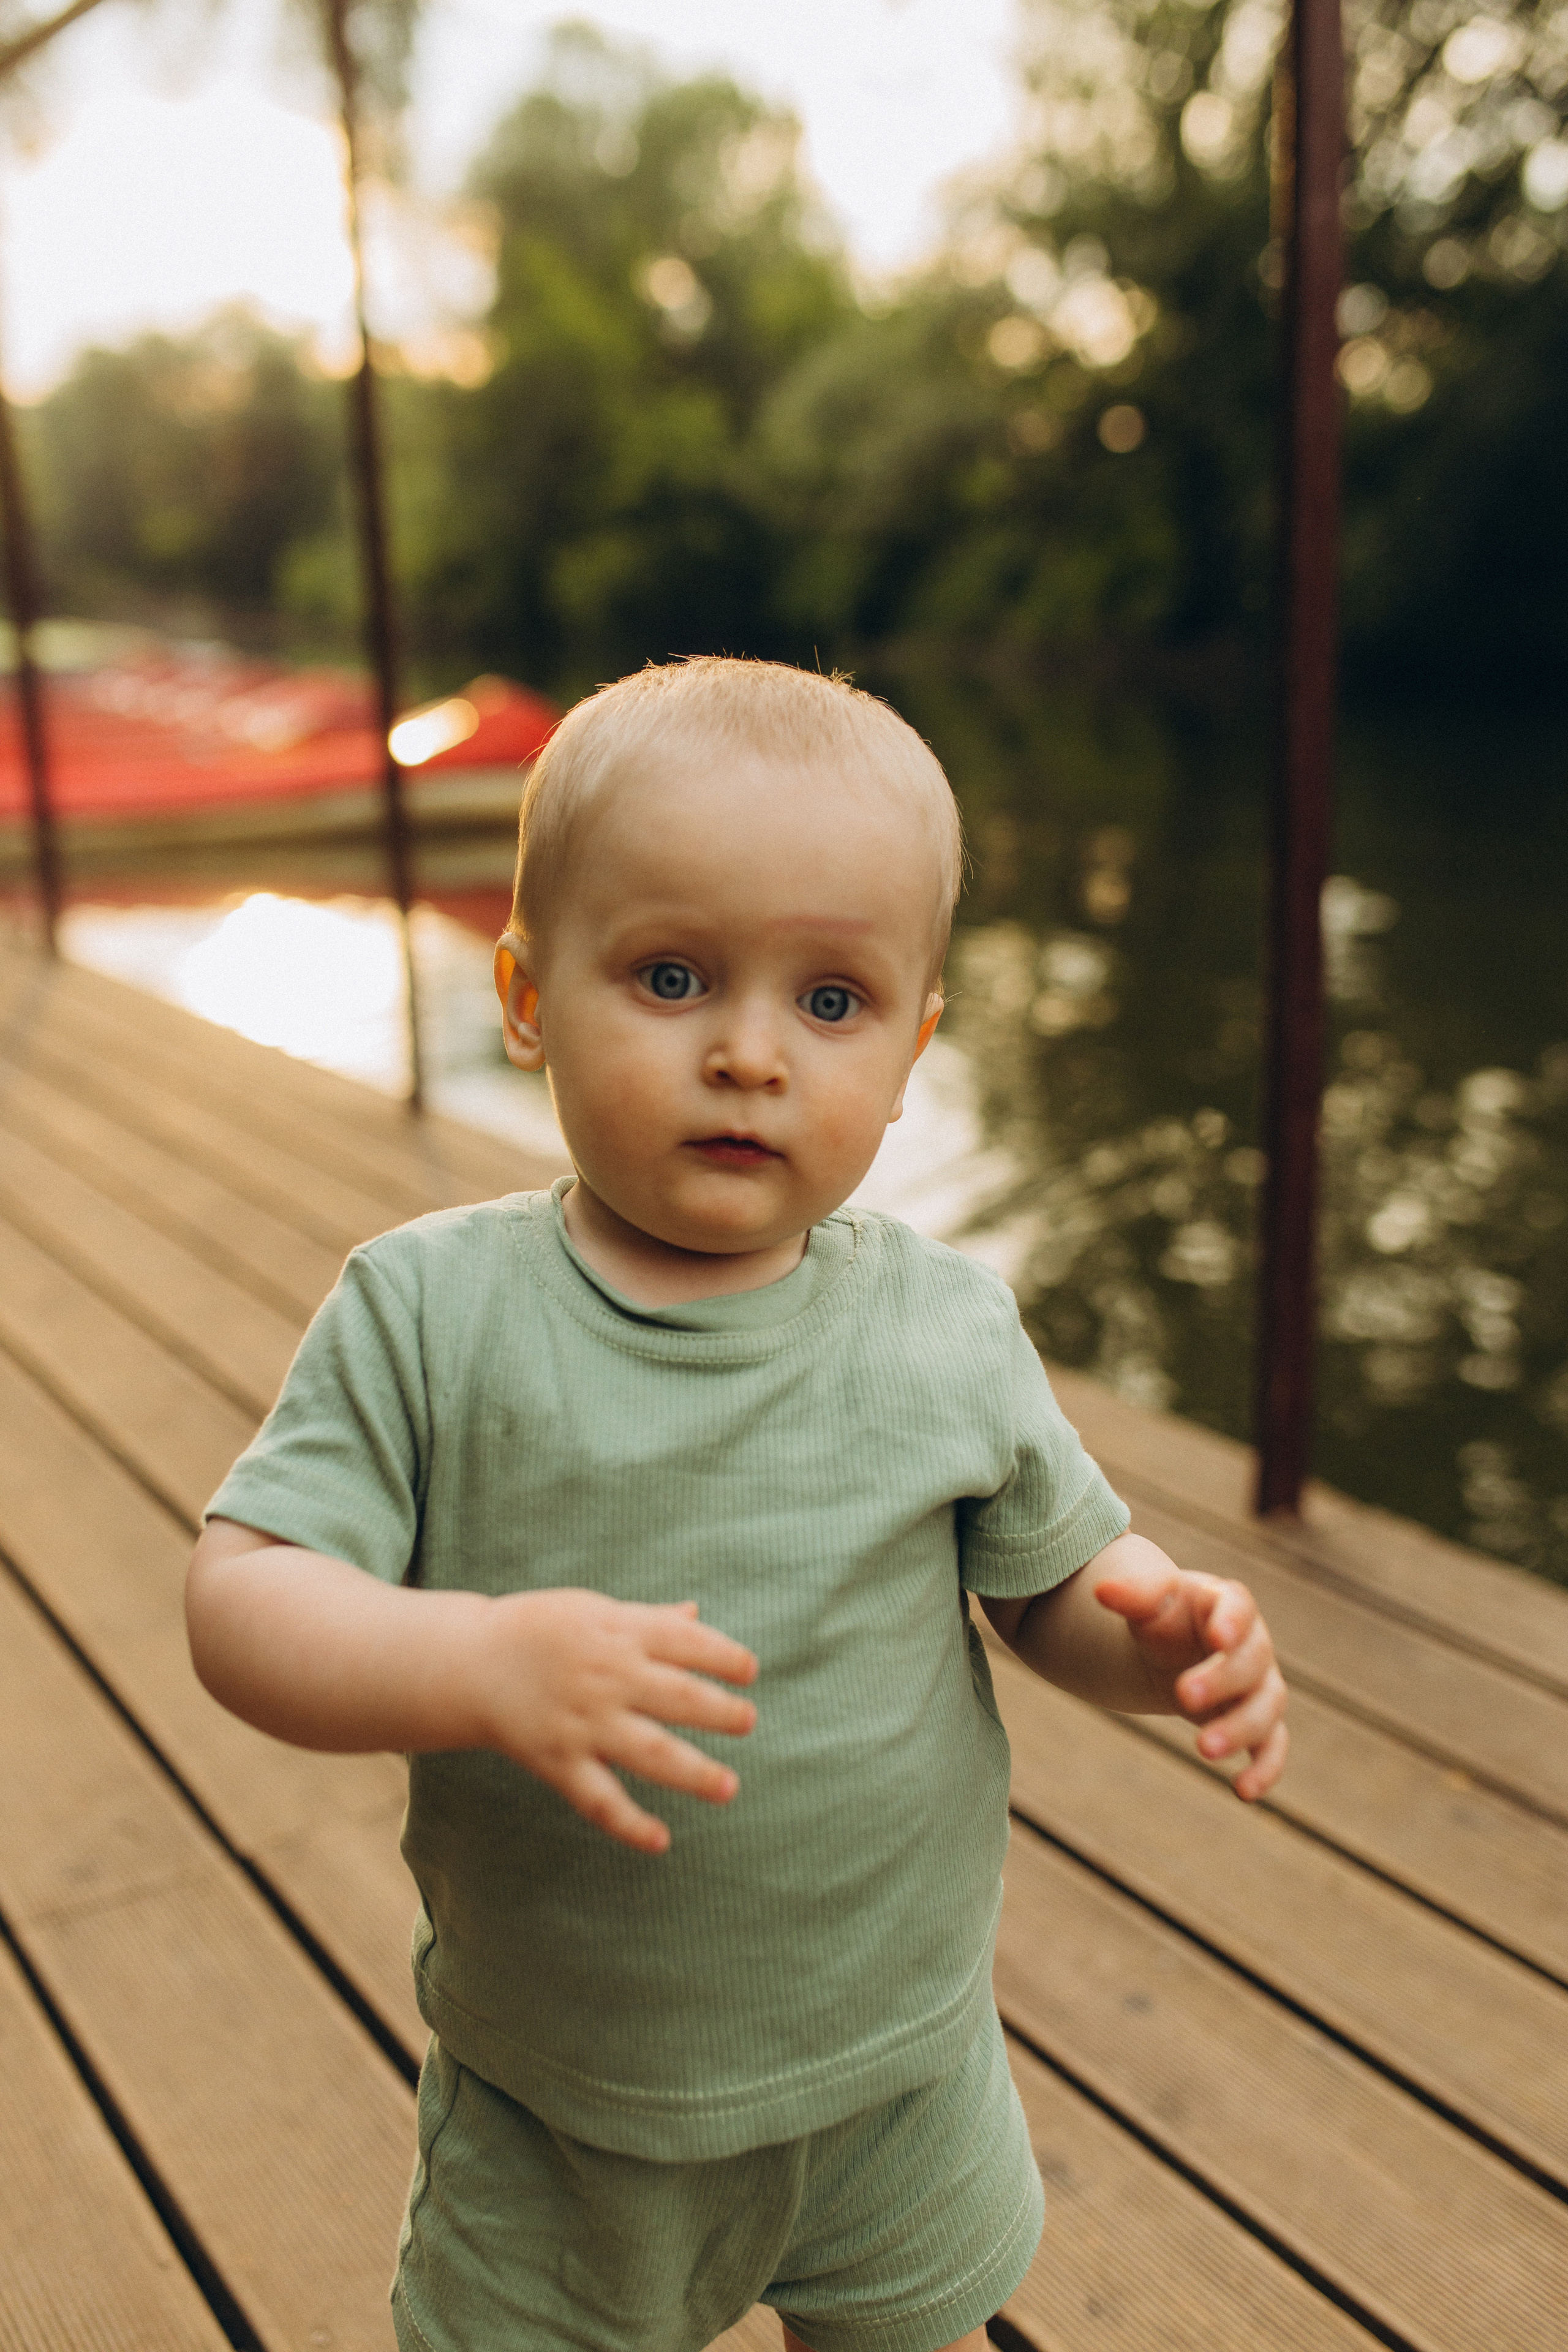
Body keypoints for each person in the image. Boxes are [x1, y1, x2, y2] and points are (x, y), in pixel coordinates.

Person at [186, 657, 1288, 2352]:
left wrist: (1163, 1639)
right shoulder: (430, 1316)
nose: (750, 1056)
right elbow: (244, 1596)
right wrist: (470, 1661)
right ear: (530, 993)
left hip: (897, 2076)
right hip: (566, 2105)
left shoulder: (944, 1329)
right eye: (675, 976)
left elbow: (1052, 1585)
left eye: (831, 1003)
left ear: (915, 1046)